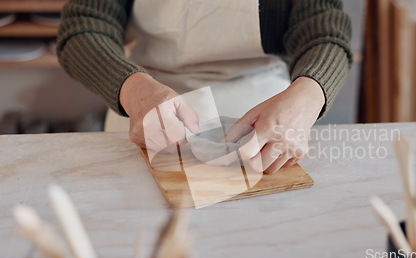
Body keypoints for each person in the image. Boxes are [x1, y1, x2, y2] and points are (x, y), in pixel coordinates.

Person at [57, 0, 352, 174]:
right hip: (145, 98)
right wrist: (133, 89)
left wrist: (307, 96)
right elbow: (84, 25)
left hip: (267, 105)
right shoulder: (139, 93)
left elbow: (325, 31)